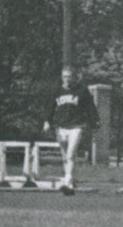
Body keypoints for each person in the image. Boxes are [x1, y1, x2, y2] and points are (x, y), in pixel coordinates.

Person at [43, 66, 100, 195]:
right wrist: (47, 121)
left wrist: (95, 123)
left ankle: (67, 181)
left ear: (74, 77)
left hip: (76, 126)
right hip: (61, 126)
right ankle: (70, 182)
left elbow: (90, 107)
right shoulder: (57, 90)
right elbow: (50, 107)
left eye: (69, 76)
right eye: (64, 76)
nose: (67, 79)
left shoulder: (81, 90)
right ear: (61, 77)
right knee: (65, 156)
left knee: (70, 154)